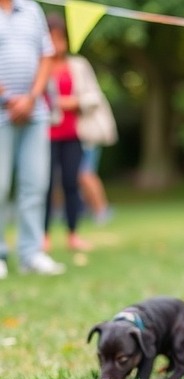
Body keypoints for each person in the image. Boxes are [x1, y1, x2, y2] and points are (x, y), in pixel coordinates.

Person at [0, 0, 66, 278]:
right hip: (2, 112)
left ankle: (32, 253)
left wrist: (31, 98)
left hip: (35, 111)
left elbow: (46, 56)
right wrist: (6, 98)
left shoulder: (32, 9)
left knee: (35, 185)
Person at [43, 12, 101, 251]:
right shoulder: (39, 66)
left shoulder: (77, 65)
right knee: (44, 186)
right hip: (44, 136)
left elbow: (93, 96)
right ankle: (43, 235)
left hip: (72, 134)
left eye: (60, 38)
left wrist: (72, 102)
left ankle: (73, 233)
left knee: (71, 182)